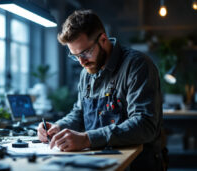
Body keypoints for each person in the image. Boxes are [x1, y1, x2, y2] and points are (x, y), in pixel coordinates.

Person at [37, 10, 165, 171]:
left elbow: (145, 125)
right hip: (99, 162)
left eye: (85, 53)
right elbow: (79, 113)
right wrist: (58, 127)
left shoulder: (137, 65)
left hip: (138, 164)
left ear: (103, 39)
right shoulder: (87, 73)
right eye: (75, 56)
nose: (81, 62)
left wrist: (87, 139)